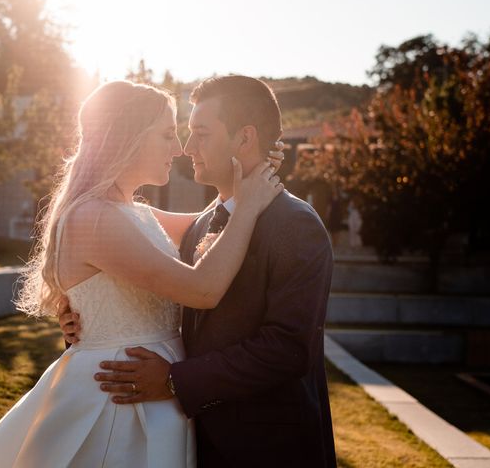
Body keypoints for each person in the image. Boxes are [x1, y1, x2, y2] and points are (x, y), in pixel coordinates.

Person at [0, 80, 283, 468]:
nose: (178, 149)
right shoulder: (94, 219)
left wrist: (255, 170)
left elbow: (209, 223)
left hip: (152, 390)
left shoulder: (135, 213)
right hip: (116, 398)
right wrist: (249, 205)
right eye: (167, 135)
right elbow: (203, 290)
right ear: (129, 137)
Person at [61, 76, 337, 467]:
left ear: (244, 139)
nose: (187, 148)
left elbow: (288, 348)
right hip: (190, 441)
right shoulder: (199, 224)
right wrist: (87, 319)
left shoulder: (295, 225)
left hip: (267, 449)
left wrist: (176, 380)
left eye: (200, 134)